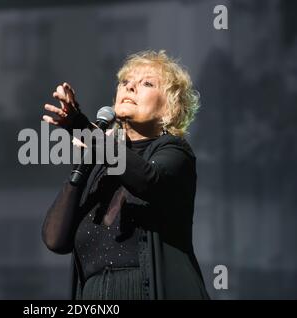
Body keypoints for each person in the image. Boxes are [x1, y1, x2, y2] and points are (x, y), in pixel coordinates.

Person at [41, 50, 209, 300]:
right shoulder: (101, 159)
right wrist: (85, 163)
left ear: (170, 109)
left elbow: (148, 179)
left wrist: (83, 127)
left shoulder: (174, 152)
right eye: (125, 82)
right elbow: (56, 239)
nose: (130, 86)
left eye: (147, 83)